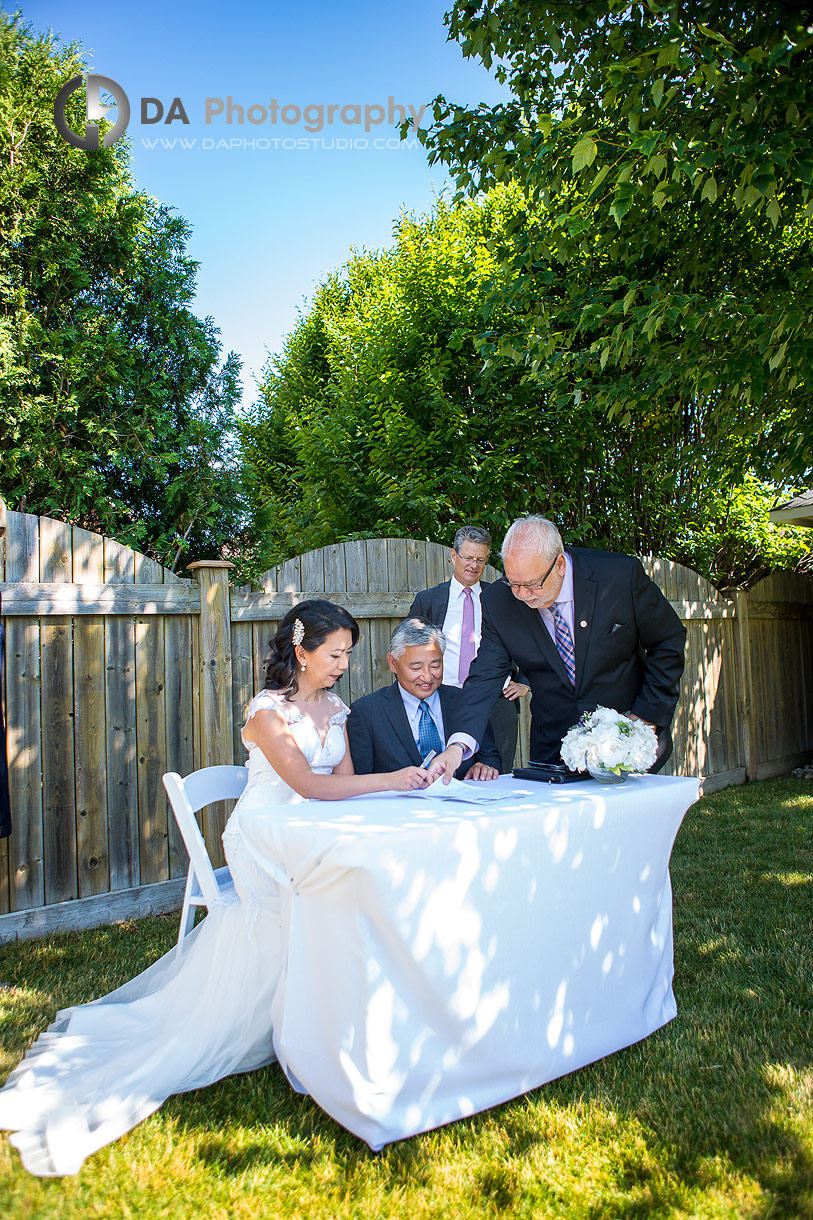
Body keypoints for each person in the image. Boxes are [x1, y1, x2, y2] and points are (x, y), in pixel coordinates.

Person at [0, 600, 429, 1177]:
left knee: (351, 885)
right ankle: (299, 1029)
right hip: (263, 836)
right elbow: (305, 783)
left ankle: (331, 1026)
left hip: (310, 829)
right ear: (301, 652)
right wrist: (395, 780)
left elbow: (345, 783)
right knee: (319, 900)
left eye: (348, 655)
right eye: (335, 654)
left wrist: (389, 792)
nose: (343, 665)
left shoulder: (337, 707)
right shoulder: (265, 713)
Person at [427, 516, 687, 783]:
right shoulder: (498, 601)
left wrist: (644, 718)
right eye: (513, 583)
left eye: (531, 584)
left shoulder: (619, 577)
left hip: (625, 741)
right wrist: (457, 746)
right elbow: (484, 677)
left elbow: (667, 640)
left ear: (560, 564)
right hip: (554, 750)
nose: (522, 595)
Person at [408, 525, 529, 772]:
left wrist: (526, 680)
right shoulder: (428, 600)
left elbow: (529, 638)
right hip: (442, 701)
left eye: (480, 560)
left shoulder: (502, 598)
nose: (473, 565)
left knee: (497, 776)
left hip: (496, 701)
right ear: (454, 556)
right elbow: (407, 646)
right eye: (468, 558)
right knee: (443, 775)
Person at [346, 618, 500, 781]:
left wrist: (484, 767)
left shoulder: (465, 702)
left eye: (435, 666)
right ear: (393, 663)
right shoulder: (367, 712)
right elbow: (359, 780)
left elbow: (490, 757)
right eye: (416, 668)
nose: (427, 677)